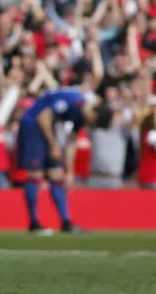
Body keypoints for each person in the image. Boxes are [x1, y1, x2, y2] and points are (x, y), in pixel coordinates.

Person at [16, 87, 100, 234]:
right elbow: (43, 117)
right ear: (94, 111)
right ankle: (34, 222)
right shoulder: (73, 101)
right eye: (93, 121)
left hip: (48, 128)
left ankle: (66, 222)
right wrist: (53, 145)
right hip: (32, 124)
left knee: (57, 174)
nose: (91, 123)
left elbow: (71, 143)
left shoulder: (81, 117)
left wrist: (70, 172)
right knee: (35, 174)